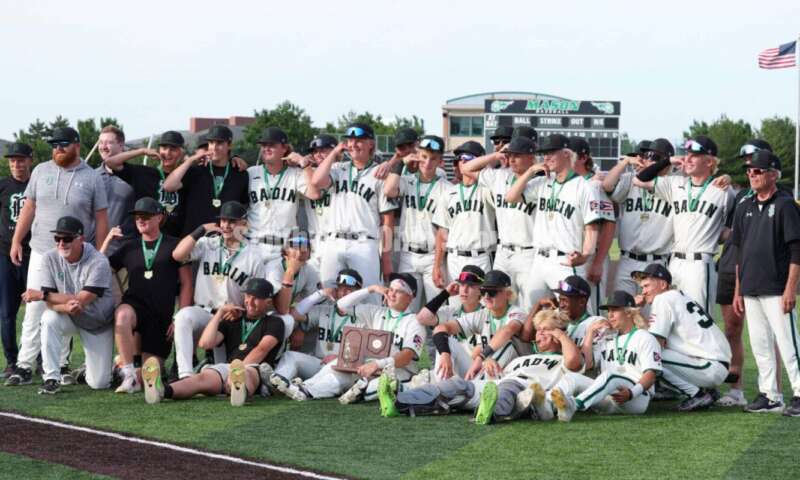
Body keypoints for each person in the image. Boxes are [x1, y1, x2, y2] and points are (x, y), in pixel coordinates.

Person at [6, 127, 109, 387]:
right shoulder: (41, 170)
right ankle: (25, 364)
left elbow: (101, 218)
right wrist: (18, 239)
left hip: (75, 255)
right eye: (54, 145)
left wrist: (101, 251)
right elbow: (29, 207)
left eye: (63, 144)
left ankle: (62, 364)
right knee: (34, 308)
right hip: (42, 250)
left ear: (77, 145)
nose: (57, 148)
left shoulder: (92, 176)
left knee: (66, 309)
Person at [378, 308, 581, 423]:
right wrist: (486, 360)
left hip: (524, 391)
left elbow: (573, 362)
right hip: (497, 383)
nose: (540, 335)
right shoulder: (521, 358)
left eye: (547, 331)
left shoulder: (561, 360)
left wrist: (561, 335)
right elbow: (496, 371)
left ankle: (489, 414)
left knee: (507, 388)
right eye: (538, 330)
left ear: (559, 333)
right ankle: (399, 403)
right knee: (457, 384)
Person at [505, 134, 614, 314]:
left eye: (550, 153)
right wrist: (531, 171)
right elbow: (511, 197)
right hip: (539, 260)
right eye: (543, 154)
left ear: (566, 154)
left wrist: (586, 255)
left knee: (573, 315)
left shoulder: (584, 186)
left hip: (566, 261)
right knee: (530, 315)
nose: (546, 157)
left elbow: (592, 226)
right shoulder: (542, 182)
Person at [141, 278, 286, 407]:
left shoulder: (275, 322)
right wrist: (220, 313)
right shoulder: (233, 320)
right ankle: (161, 391)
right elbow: (205, 343)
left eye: (256, 298)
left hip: (255, 367)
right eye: (248, 296)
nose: (249, 302)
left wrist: (238, 371)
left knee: (247, 373)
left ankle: (240, 391)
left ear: (268, 302)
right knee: (201, 379)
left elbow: (261, 350)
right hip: (229, 367)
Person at [284, 273, 425, 403]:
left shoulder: (415, 321)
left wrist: (378, 364)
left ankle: (365, 389)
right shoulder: (376, 311)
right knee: (336, 369)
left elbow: (406, 356)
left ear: (411, 297)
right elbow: (341, 305)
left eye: (399, 291)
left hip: (397, 372)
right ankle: (305, 388)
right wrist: (371, 289)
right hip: (369, 367)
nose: (392, 294)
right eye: (390, 289)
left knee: (369, 390)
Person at [732, 150, 800, 416]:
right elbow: (740, 252)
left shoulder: (785, 205)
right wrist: (739, 290)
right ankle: (770, 395)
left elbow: (797, 250)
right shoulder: (744, 206)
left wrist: (790, 288)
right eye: (750, 171)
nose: (752, 174)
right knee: (760, 345)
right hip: (750, 287)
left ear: (773, 174)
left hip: (776, 287)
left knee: (788, 343)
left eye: (758, 171)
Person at [634, 135, 734, 314]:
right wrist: (668, 161)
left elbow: (732, 227)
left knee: (698, 319)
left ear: (710, 161)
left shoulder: (723, 191)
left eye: (694, 155)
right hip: (675, 263)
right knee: (670, 317)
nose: (687, 158)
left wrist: (727, 177)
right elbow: (640, 179)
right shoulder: (676, 183)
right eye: (686, 153)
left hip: (700, 264)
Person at [101, 197, 193, 393]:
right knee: (122, 314)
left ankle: (122, 366)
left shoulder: (175, 245)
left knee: (149, 375)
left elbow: (186, 283)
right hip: (135, 307)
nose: (140, 220)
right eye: (137, 217)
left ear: (159, 217)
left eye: (146, 216)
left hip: (160, 317)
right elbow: (99, 269)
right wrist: (107, 241)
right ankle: (127, 372)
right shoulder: (129, 246)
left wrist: (180, 316)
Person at [170, 201, 270, 379]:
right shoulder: (208, 243)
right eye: (223, 220)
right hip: (203, 312)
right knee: (183, 316)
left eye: (231, 221)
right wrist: (200, 229)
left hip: (231, 319)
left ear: (244, 224)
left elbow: (256, 295)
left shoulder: (253, 255)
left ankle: (212, 372)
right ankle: (185, 373)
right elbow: (178, 255)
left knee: (222, 371)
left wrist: (244, 312)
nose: (225, 225)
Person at [715, 139, 779, 407]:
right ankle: (736, 389)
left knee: (770, 333)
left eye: (754, 162)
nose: (750, 168)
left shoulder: (781, 195)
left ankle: (773, 388)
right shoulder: (740, 195)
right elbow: (730, 232)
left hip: (760, 272)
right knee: (731, 329)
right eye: (747, 164)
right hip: (730, 265)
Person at [22, 216, 114, 394]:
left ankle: (100, 369)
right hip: (70, 316)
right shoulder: (50, 258)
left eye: (67, 238)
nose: (61, 243)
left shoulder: (98, 261)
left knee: (99, 383)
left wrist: (42, 295)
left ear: (81, 239)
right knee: (49, 318)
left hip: (98, 323)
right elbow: (51, 304)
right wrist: (63, 307)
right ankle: (51, 378)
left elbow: (81, 299)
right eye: (58, 238)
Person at [309, 123, 398, 297]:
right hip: (333, 241)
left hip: (364, 243)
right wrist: (334, 153)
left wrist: (386, 258)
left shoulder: (380, 173)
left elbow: (388, 220)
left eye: (359, 140)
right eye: (350, 140)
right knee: (328, 296)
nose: (353, 144)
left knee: (369, 297)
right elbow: (316, 181)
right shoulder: (337, 169)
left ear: (371, 144)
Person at [546, 290, 662, 421]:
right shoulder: (607, 338)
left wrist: (631, 393)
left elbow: (651, 375)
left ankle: (574, 405)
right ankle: (545, 405)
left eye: (615, 310)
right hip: (609, 396)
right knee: (572, 378)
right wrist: (590, 332)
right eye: (608, 311)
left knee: (610, 376)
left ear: (629, 312)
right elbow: (587, 364)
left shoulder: (644, 337)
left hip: (636, 398)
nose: (610, 315)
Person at [635, 263, 731, 411]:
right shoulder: (679, 296)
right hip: (715, 363)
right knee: (655, 352)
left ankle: (698, 394)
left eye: (647, 286)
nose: (644, 291)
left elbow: (654, 344)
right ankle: (707, 390)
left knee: (651, 355)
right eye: (642, 288)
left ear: (662, 284)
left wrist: (634, 313)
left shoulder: (664, 299)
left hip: (709, 366)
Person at [460, 136, 538, 310]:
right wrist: (494, 156)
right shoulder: (499, 176)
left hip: (528, 252)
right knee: (497, 303)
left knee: (527, 306)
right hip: (503, 252)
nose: (512, 159)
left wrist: (532, 171)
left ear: (531, 158)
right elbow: (466, 168)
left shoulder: (540, 181)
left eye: (517, 155)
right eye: (510, 155)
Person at [267, 269, 362, 399]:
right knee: (290, 356)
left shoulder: (365, 315)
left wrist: (339, 358)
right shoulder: (325, 310)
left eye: (349, 289)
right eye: (341, 288)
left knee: (336, 379)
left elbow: (365, 353)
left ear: (359, 292)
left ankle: (303, 389)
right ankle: (277, 383)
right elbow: (294, 314)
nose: (344, 293)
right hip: (319, 363)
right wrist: (320, 294)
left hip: (343, 369)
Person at [383, 135, 450, 312]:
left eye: (433, 158)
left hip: (432, 256)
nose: (427, 163)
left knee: (437, 311)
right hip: (408, 256)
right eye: (424, 156)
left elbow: (443, 231)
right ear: (417, 155)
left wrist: (437, 266)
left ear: (440, 161)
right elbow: (389, 191)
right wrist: (401, 163)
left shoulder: (447, 188)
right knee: (404, 311)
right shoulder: (407, 181)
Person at [601, 138, 675, 296]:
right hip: (627, 260)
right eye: (648, 156)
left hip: (657, 262)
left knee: (653, 316)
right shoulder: (630, 180)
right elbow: (607, 185)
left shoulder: (672, 185)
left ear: (667, 162)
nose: (650, 161)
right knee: (623, 311)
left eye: (656, 158)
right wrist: (625, 162)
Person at [432, 144, 497, 305]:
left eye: (465, 159)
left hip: (480, 256)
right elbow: (441, 233)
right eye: (456, 161)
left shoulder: (488, 190)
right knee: (455, 309)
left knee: (483, 308)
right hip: (454, 258)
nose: (460, 164)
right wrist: (437, 266)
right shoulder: (448, 193)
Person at [163, 125, 249, 236]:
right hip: (194, 239)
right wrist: (191, 160)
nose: (214, 147)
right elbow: (168, 186)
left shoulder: (240, 174)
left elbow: (243, 209)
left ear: (229, 145)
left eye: (219, 143)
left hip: (223, 241)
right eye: (211, 143)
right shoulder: (195, 170)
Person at [104, 130, 193, 238]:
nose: (168, 153)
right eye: (164, 148)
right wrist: (142, 151)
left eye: (173, 149)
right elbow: (110, 162)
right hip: (144, 240)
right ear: (159, 150)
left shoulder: (188, 176)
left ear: (181, 152)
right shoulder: (144, 173)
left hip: (175, 241)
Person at [247, 127, 311, 262]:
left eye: (272, 145)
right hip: (253, 245)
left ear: (284, 148)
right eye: (264, 145)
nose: (266, 149)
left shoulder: (296, 174)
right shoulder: (251, 173)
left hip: (283, 248)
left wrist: (303, 163)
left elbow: (314, 193)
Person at [569, 137, 617, 312]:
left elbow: (609, 225)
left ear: (582, 158)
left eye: (569, 155)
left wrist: (597, 262)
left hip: (590, 257)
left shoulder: (596, 185)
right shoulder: (566, 184)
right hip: (570, 255)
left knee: (591, 310)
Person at [415, 265, 485, 381]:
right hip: (448, 367)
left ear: (481, 290)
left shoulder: (486, 315)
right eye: (462, 285)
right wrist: (445, 294)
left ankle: (441, 388)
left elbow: (477, 355)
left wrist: (449, 357)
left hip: (473, 371)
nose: (465, 290)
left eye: (471, 286)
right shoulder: (450, 311)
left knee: (448, 342)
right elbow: (422, 318)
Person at [0, 143, 33, 377]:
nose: (16, 164)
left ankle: (41, 359)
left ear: (29, 160)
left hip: (35, 254)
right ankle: (11, 360)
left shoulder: (38, 184)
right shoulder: (3, 185)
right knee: (6, 310)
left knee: (40, 309)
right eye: (12, 160)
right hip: (5, 254)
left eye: (20, 160)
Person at [96, 126, 136, 257]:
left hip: (126, 251)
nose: (103, 146)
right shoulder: (91, 176)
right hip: (96, 250)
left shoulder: (136, 176)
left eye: (109, 142)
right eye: (101, 142)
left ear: (121, 145)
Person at [298, 134, 337, 271]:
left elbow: (317, 187)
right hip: (316, 242)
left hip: (336, 240)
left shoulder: (341, 171)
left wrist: (305, 165)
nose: (318, 154)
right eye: (315, 152)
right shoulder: (307, 172)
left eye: (323, 150)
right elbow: (313, 191)